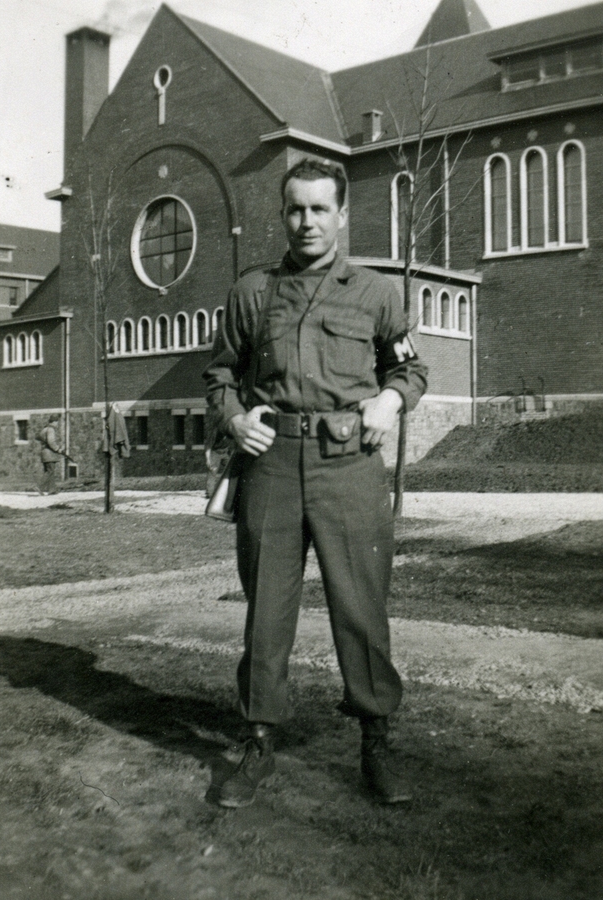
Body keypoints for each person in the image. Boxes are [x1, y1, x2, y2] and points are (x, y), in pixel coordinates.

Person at [204, 158, 428, 808]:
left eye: (319, 209)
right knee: (266, 611)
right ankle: (258, 741)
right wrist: (236, 419)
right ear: (284, 213)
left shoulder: (375, 292)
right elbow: (219, 374)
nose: (307, 221)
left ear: (341, 214)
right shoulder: (252, 292)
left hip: (350, 464)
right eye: (296, 209)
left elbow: (410, 369)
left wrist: (390, 400)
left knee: (360, 609)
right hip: (272, 465)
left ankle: (375, 741)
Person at [37, 414, 64, 495]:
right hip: (49, 454)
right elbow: (51, 442)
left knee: (49, 471)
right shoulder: (51, 429)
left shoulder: (44, 429)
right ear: (54, 422)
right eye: (57, 422)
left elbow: (38, 438)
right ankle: (39, 486)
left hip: (44, 453)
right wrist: (57, 449)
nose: (57, 424)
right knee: (50, 471)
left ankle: (52, 490)